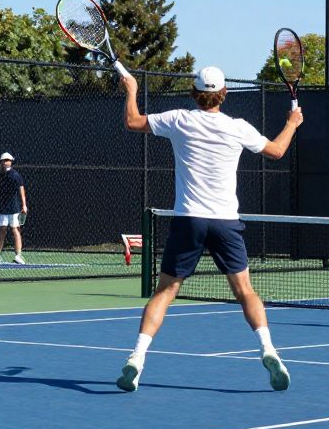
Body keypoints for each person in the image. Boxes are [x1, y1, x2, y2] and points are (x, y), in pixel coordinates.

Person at [115, 66, 304, 392]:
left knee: (164, 292)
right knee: (245, 291)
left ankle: (137, 357)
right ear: (225, 94)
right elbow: (276, 150)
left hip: (189, 219)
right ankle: (268, 350)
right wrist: (292, 124)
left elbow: (133, 121)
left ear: (194, 93)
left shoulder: (179, 120)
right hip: (225, 222)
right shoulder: (238, 128)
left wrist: (131, 87)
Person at [0, 152, 28, 264]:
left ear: (11, 162)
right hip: (3, 209)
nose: (5, 162)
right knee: (2, 231)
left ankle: (18, 256)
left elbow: (21, 189)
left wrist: (24, 205)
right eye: (3, 161)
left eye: (7, 160)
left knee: (15, 230)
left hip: (14, 208)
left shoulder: (15, 175)